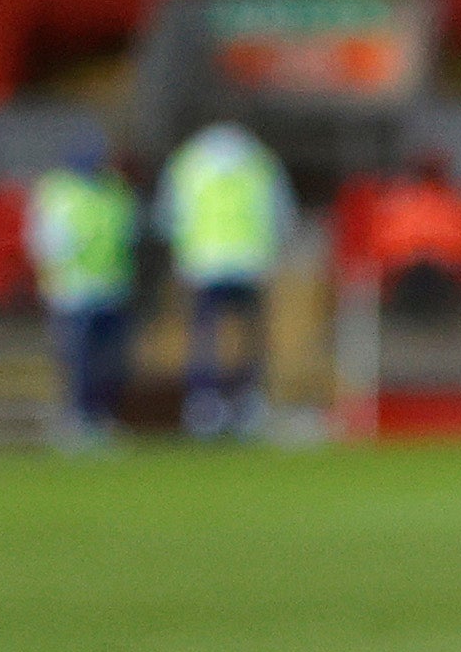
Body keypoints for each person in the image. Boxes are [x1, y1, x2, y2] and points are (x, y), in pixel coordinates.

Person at [157, 119, 292, 439]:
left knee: (206, 336)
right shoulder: (259, 163)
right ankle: (246, 399)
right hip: (250, 261)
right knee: (249, 337)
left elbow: (168, 216)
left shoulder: (188, 162)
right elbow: (282, 214)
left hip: (204, 262)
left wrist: (181, 257)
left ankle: (205, 401)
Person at [25, 135, 139, 443]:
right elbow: (44, 243)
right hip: (73, 292)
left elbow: (127, 236)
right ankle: (75, 419)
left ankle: (100, 416)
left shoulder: (114, 190)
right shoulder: (58, 192)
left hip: (110, 288)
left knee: (108, 360)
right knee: (77, 359)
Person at [367, 153, 461, 318]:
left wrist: (439, 255)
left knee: (434, 275)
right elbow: (384, 245)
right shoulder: (398, 202)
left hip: (443, 270)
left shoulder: (457, 202)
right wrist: (414, 255)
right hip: (408, 270)